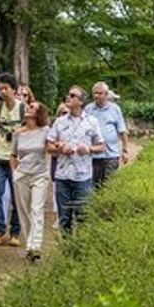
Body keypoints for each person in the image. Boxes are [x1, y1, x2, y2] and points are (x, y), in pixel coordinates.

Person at [47, 86, 105, 234]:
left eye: (72, 95)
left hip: (83, 176)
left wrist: (88, 149)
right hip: (62, 176)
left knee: (83, 216)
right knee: (64, 218)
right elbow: (49, 146)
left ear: (80, 101)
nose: (68, 97)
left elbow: (101, 146)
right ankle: (67, 251)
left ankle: (81, 251)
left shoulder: (91, 122)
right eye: (68, 94)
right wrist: (61, 149)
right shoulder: (59, 122)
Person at [11, 100, 51, 262]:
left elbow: (51, 147)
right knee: (24, 211)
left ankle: (36, 245)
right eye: (29, 106)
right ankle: (29, 244)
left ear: (39, 113)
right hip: (21, 175)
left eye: (33, 107)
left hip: (40, 174)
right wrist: (14, 173)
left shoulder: (46, 130)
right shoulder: (18, 133)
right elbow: (13, 154)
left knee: (36, 209)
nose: (28, 107)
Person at [0, 72, 24, 247]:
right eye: (0, 88)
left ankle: (15, 232)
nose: (2, 91)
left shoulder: (23, 109)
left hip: (16, 159)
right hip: (0, 157)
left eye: (6, 88)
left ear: (14, 90)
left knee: (17, 196)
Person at [86, 81, 129, 189]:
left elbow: (122, 131)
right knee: (93, 188)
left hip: (111, 156)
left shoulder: (115, 109)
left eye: (99, 93)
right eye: (94, 93)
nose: (96, 96)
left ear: (106, 94)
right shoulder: (88, 109)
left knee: (109, 187)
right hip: (93, 156)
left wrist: (125, 150)